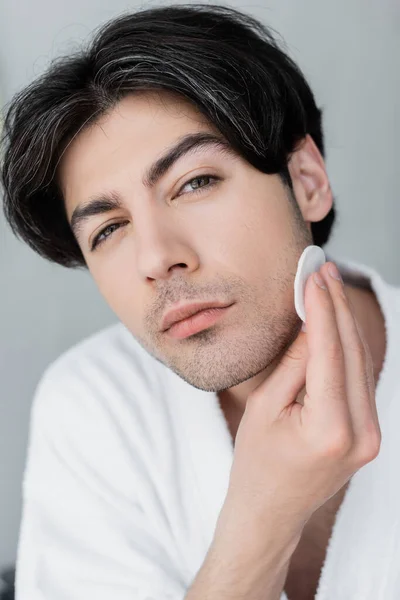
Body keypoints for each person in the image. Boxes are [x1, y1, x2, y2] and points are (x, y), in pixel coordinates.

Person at [0, 4, 397, 599]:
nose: (156, 258)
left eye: (195, 183)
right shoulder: (96, 404)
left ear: (306, 180)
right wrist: (262, 520)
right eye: (108, 230)